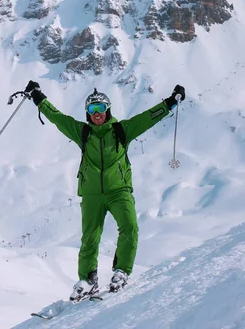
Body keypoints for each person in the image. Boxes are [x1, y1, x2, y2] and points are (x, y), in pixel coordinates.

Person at [24, 80, 185, 301]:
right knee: (90, 237)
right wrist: (38, 98)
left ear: (107, 110)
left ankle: (121, 271)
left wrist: (170, 102)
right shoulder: (82, 132)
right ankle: (87, 280)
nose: (96, 113)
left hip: (119, 190)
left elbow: (148, 117)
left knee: (130, 227)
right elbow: (57, 118)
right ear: (88, 113)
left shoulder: (122, 130)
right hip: (91, 194)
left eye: (100, 108)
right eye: (92, 109)